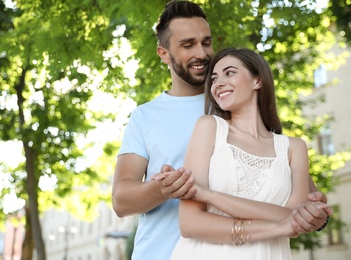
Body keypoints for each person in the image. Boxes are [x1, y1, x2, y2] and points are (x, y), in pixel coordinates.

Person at [112, 1, 329, 260]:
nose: (202, 53)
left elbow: (297, 196)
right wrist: (164, 188)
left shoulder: (237, 102)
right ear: (164, 53)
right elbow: (121, 201)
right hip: (161, 253)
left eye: (206, 42)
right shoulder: (145, 117)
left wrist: (315, 217)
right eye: (187, 44)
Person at [169, 47, 332, 259]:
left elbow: (294, 217)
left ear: (258, 81)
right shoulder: (209, 128)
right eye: (214, 78)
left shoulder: (293, 148)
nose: (218, 83)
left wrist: (209, 195)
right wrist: (277, 228)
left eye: (230, 73)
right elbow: (190, 224)